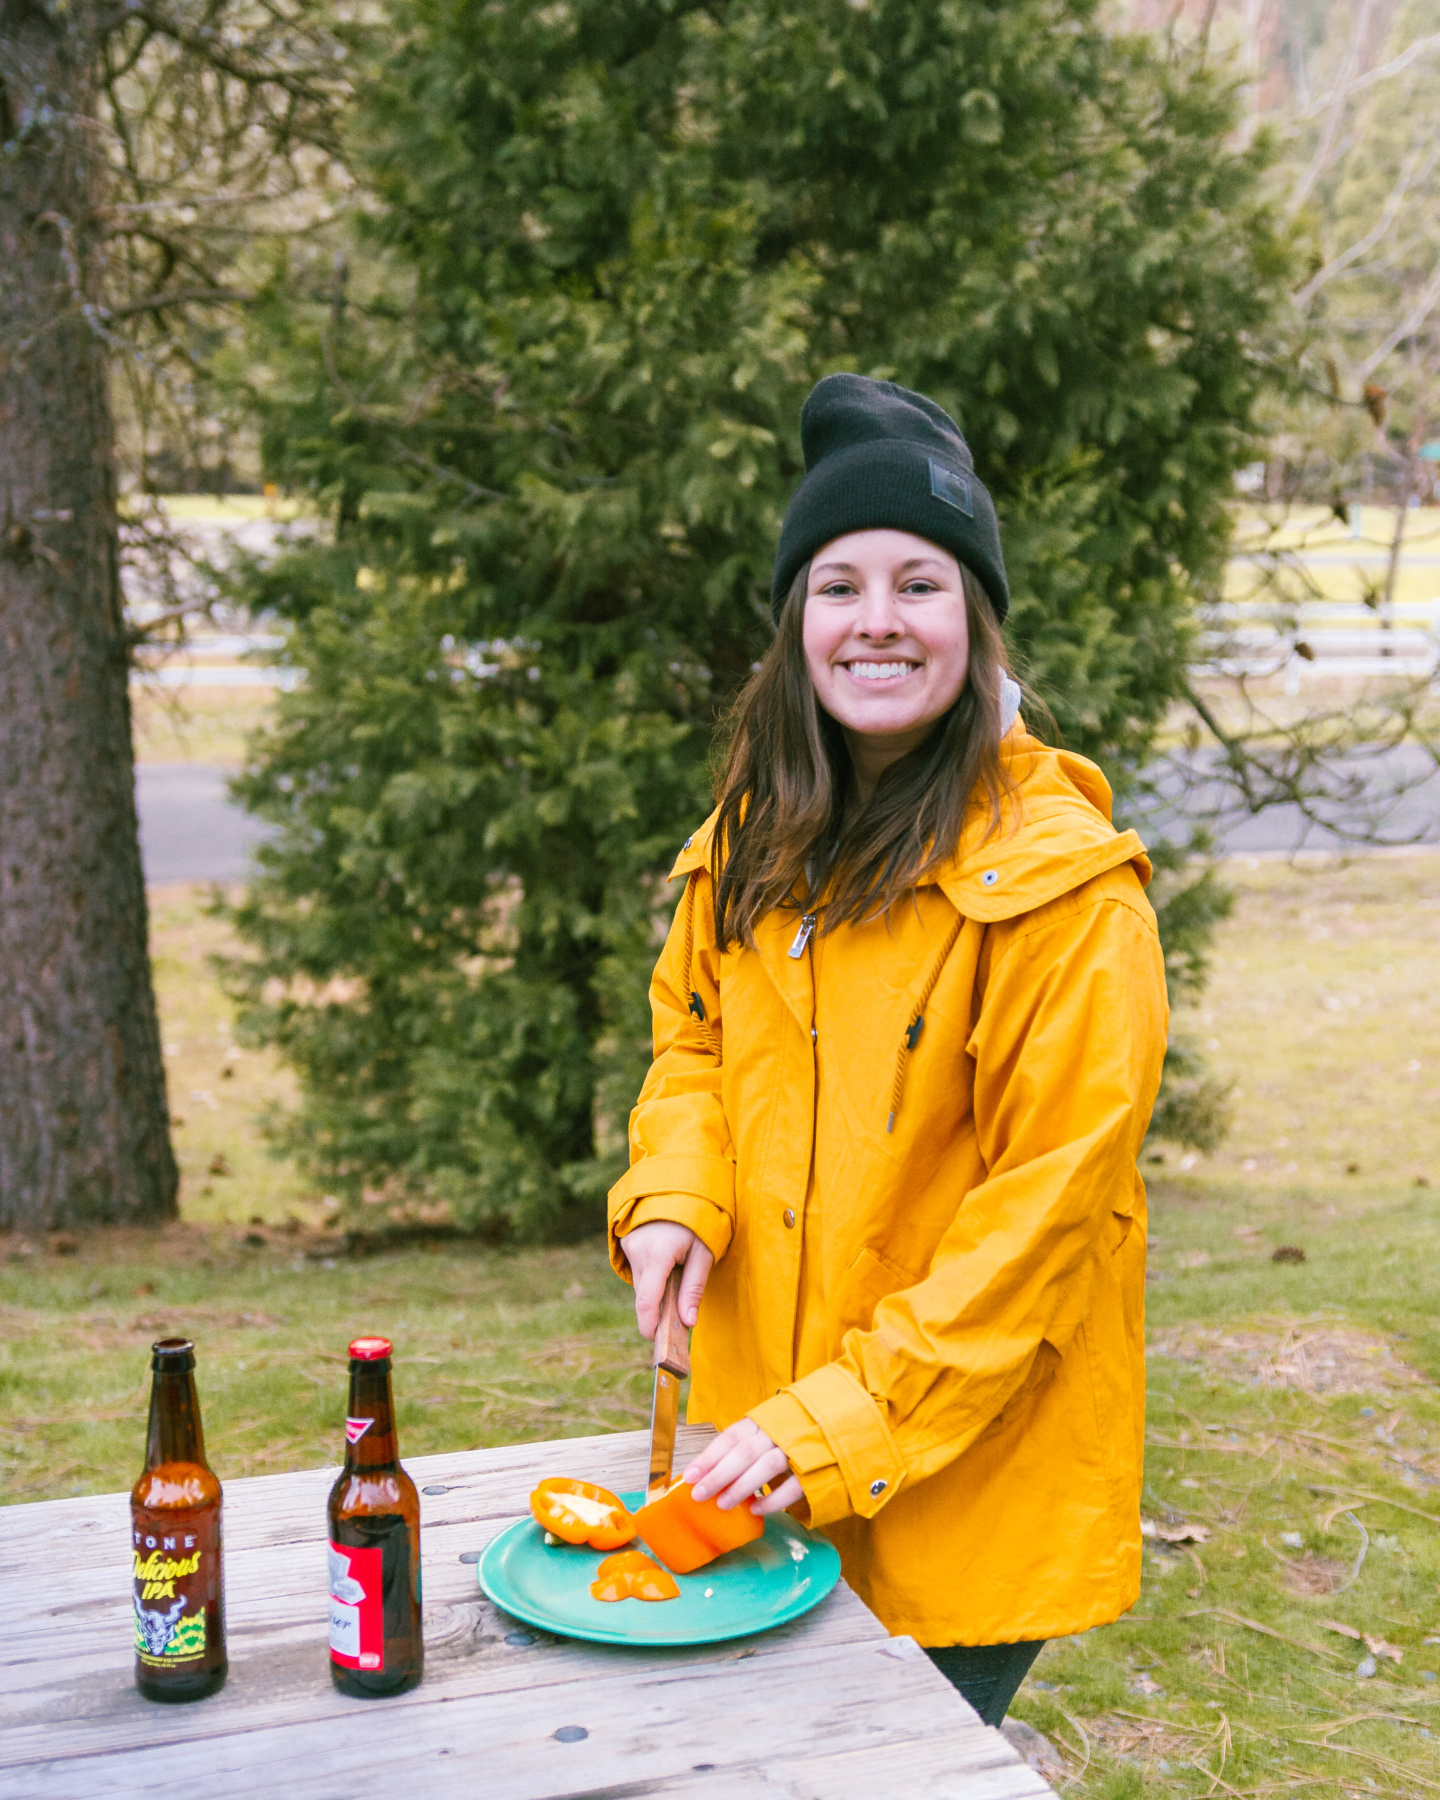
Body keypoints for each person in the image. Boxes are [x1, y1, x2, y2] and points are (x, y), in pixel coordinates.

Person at [609, 374, 1168, 1727]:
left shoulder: (1067, 895)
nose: (876, 622)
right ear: (796, 619)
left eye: (920, 585)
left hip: (958, 1480)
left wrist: (829, 1430)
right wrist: (676, 1196)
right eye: (839, 584)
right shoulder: (756, 836)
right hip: (765, 1453)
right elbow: (691, 1039)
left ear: (974, 623)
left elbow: (1037, 1229)